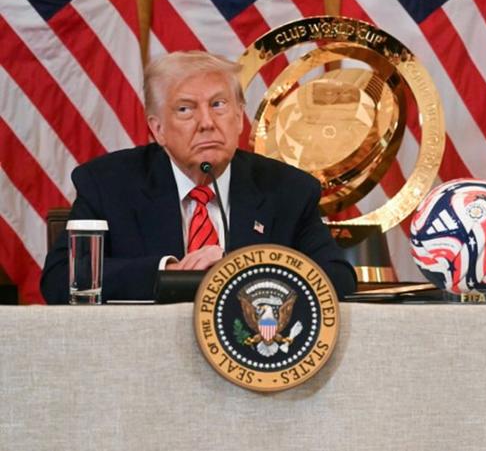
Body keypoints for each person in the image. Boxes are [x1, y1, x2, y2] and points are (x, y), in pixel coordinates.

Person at [41, 51, 357, 303]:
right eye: (185, 110)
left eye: (218, 105)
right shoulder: (108, 184)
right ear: (157, 129)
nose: (207, 122)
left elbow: (337, 277)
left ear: (238, 119)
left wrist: (239, 269)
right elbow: (61, 279)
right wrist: (170, 273)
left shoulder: (287, 190)